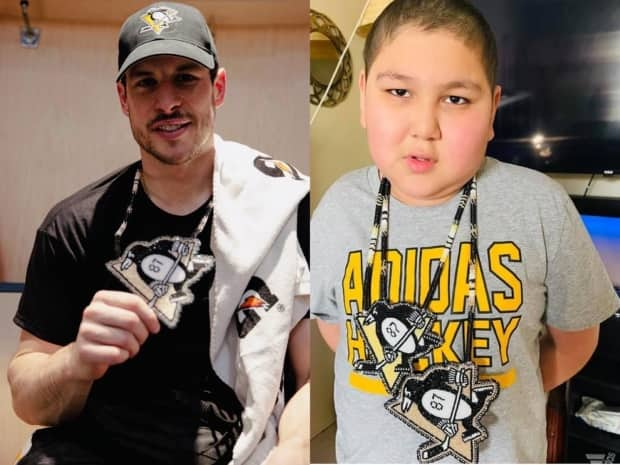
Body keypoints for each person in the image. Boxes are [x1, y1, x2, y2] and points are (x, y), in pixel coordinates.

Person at [310, 0, 620, 463]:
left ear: (492, 108)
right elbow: (337, 326)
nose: (424, 127)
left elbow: (576, 339)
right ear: (364, 97)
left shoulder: (541, 206)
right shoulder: (337, 207)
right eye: (398, 92)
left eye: (455, 99)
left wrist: (506, 388)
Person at [8, 2, 309, 464]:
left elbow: (314, 376)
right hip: (93, 449)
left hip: (232, 448)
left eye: (185, 77)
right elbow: (27, 400)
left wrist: (294, 449)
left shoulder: (281, 209)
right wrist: (76, 361)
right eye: (146, 82)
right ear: (124, 98)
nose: (167, 101)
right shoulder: (73, 226)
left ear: (218, 88)